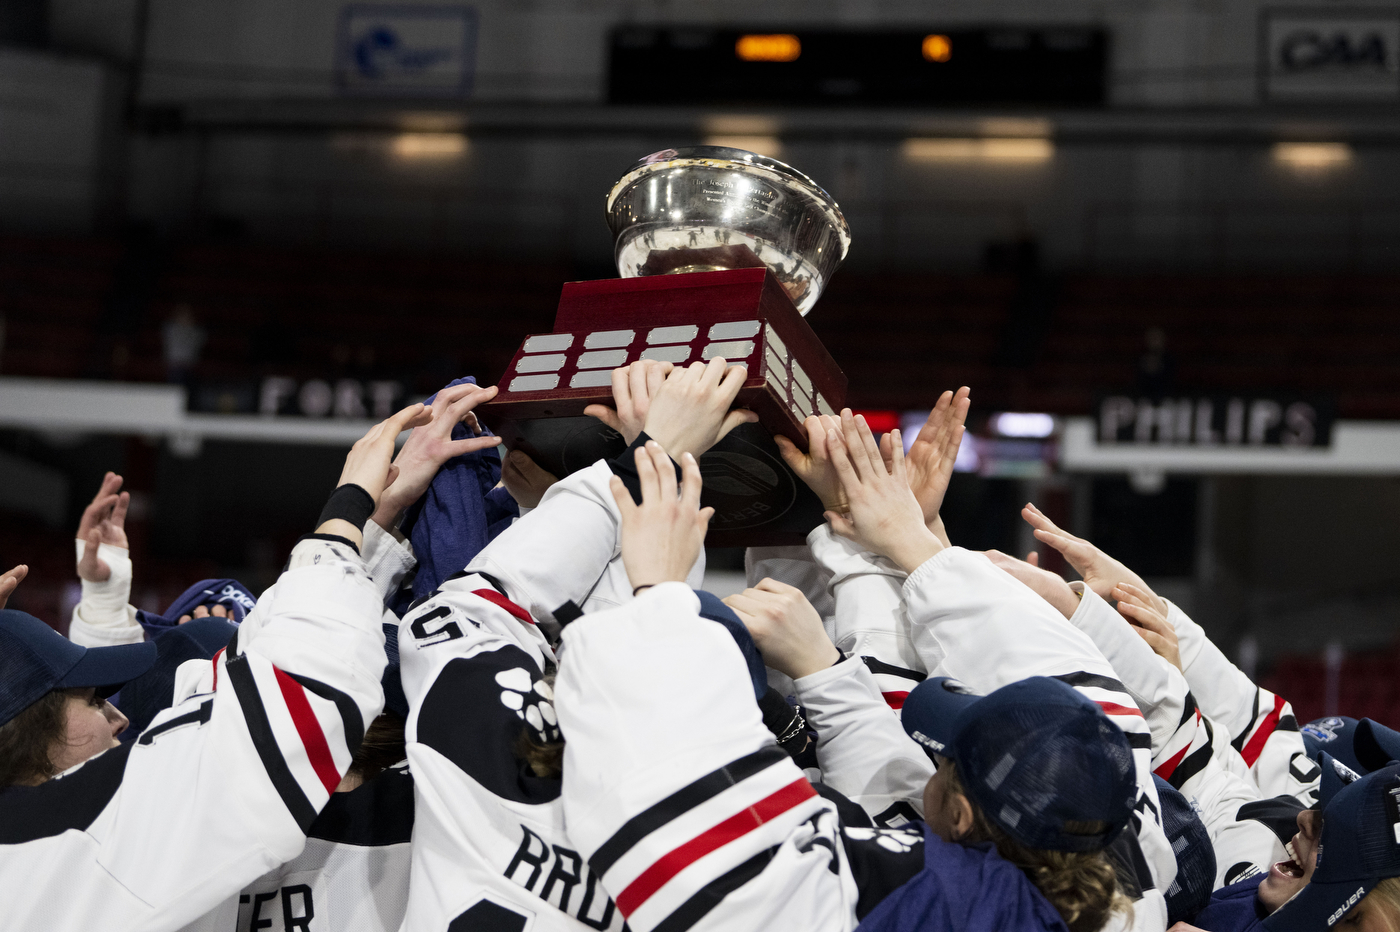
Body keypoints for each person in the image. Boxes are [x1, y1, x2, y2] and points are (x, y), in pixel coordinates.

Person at [0, 404, 420, 930]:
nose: (123, 718)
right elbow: (292, 698)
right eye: (91, 699)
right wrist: (349, 512)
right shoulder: (91, 846)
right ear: (26, 734)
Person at [393, 359, 760, 931]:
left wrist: (644, 464)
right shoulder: (736, 834)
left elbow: (462, 615)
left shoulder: (482, 757)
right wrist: (648, 469)